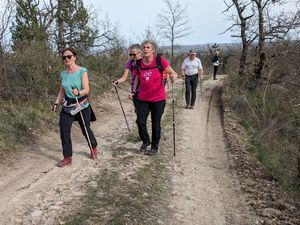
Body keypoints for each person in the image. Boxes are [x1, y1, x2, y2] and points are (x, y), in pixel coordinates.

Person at [52, 47, 98, 167]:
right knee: (64, 131)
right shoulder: (63, 74)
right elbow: (62, 90)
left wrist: (79, 92)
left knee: (85, 129)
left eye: (69, 56)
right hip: (68, 106)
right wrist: (56, 103)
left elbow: (87, 89)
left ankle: (93, 147)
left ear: (75, 57)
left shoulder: (82, 71)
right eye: (64, 57)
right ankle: (67, 157)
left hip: (81, 104)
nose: (67, 59)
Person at [130, 39, 177, 156]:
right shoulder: (139, 63)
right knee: (140, 121)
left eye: (148, 47)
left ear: (153, 50)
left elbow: (173, 73)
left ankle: (155, 147)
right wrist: (134, 91)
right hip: (142, 98)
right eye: (144, 47)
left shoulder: (160, 61)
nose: (145, 49)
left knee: (156, 123)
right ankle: (146, 141)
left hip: (158, 98)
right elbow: (136, 78)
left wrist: (173, 77)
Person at [112, 44, 142, 110]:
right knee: (138, 110)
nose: (132, 56)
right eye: (130, 55)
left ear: (140, 52)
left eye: (134, 54)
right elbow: (124, 77)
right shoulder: (130, 63)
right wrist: (117, 81)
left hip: (144, 88)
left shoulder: (145, 62)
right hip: (134, 89)